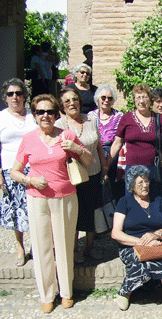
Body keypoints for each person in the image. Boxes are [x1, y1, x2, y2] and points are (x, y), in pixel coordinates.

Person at [10, 94, 94, 313]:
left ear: (57, 114)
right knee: (42, 247)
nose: (45, 116)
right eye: (40, 112)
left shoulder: (67, 134)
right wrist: (31, 180)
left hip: (65, 197)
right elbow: (14, 172)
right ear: (34, 115)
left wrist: (75, 148)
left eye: (49, 112)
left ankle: (66, 292)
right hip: (37, 199)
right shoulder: (28, 139)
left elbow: (89, 160)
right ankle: (47, 294)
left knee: (65, 245)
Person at [111, 165, 162, 318]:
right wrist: (141, 241)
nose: (145, 185)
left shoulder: (157, 200)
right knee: (140, 261)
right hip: (132, 244)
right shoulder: (124, 202)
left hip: (157, 242)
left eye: (146, 181)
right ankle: (125, 293)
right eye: (140, 183)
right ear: (132, 185)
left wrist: (156, 234)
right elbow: (116, 233)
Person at [56, 86, 108, 263]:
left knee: (92, 210)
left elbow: (99, 145)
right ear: (62, 106)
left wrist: (104, 167)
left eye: (75, 99)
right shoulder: (59, 125)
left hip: (93, 172)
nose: (72, 103)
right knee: (75, 213)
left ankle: (90, 246)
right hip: (73, 176)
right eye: (67, 101)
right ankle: (74, 248)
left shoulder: (91, 119)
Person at [108, 83, 162, 196]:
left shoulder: (158, 118)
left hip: (153, 170)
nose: (141, 101)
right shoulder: (126, 118)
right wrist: (106, 165)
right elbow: (117, 143)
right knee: (132, 203)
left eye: (145, 97)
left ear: (150, 100)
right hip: (132, 170)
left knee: (154, 203)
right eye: (138, 97)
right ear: (134, 100)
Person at [0, 78, 38, 266]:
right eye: (10, 94)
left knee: (34, 208)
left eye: (19, 93)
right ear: (5, 97)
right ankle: (20, 247)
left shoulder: (34, 116)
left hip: (34, 168)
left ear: (24, 96)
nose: (15, 97)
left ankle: (35, 245)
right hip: (10, 169)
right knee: (16, 209)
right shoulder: (1, 118)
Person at [88, 84, 124, 199]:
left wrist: (107, 165)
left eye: (110, 98)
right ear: (97, 99)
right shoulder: (90, 116)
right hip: (95, 154)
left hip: (112, 154)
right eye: (103, 97)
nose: (106, 100)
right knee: (95, 188)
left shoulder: (119, 116)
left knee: (114, 189)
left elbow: (119, 141)